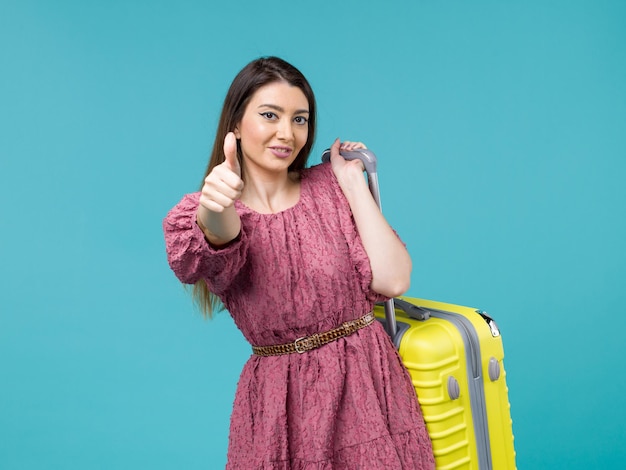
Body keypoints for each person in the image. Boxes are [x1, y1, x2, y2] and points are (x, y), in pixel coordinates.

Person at [163, 56, 435, 469]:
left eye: (300, 119)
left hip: (368, 387)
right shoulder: (216, 210)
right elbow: (219, 234)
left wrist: (349, 184)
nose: (286, 133)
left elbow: (394, 280)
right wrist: (214, 203)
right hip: (282, 407)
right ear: (235, 124)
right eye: (269, 115)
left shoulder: (329, 186)